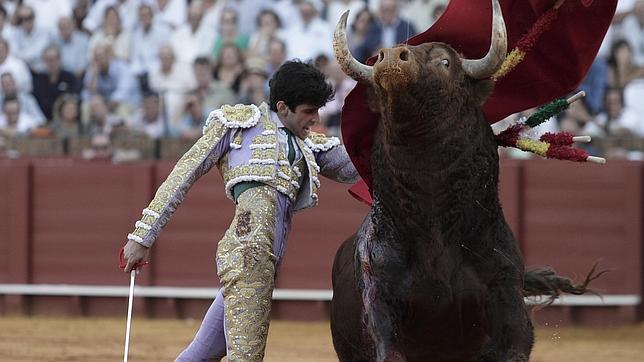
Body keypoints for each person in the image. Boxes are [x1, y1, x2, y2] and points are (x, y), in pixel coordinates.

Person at [121, 60, 360, 361]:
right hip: (248, 257)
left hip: (261, 264)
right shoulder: (239, 124)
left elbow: (358, 166)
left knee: (203, 353)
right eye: (309, 111)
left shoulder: (308, 145)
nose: (315, 118)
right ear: (283, 107)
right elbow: (183, 174)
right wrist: (142, 236)